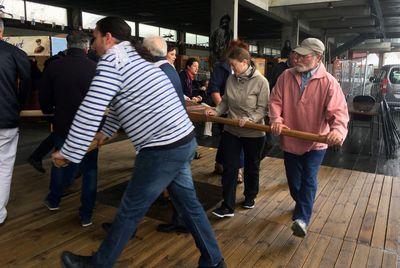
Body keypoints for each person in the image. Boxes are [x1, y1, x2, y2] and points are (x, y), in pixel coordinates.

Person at [56, 17, 225, 268]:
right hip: (182, 140)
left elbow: (91, 108)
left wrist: (69, 151)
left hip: (162, 148)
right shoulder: (137, 59)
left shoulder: (113, 60)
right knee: (189, 206)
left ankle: (98, 264)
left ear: (108, 38)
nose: (93, 44)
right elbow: (119, 101)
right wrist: (106, 132)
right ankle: (213, 261)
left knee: (130, 208)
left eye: (95, 37)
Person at [269, 38, 349, 237]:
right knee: (294, 180)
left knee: (309, 179)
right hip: (290, 138)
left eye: (304, 55)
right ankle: (301, 203)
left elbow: (339, 112)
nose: (297, 58)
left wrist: (337, 131)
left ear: (318, 57)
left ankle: (302, 219)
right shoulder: (286, 76)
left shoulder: (329, 82)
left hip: (316, 142)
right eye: (297, 54)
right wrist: (276, 119)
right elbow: (275, 101)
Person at [40, 31, 98, 227]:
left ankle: (54, 200)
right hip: (90, 127)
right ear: (86, 47)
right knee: (90, 169)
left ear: (67, 45)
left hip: (63, 124)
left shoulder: (54, 66)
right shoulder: (95, 68)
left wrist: (49, 111)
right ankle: (86, 214)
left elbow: (45, 98)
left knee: (59, 160)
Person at [206, 43, 269, 218]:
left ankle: (250, 196)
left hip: (253, 133)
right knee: (230, 167)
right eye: (230, 65)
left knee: (251, 166)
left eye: (234, 65)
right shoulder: (231, 79)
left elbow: (262, 109)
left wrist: (249, 120)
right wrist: (216, 111)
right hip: (232, 130)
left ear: (244, 62)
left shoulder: (261, 82)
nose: (231, 68)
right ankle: (227, 206)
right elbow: (225, 101)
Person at [0, 18, 31, 225]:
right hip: (5, 118)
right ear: (2, 32)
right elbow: (26, 84)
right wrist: (17, 105)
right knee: (3, 165)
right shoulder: (15, 53)